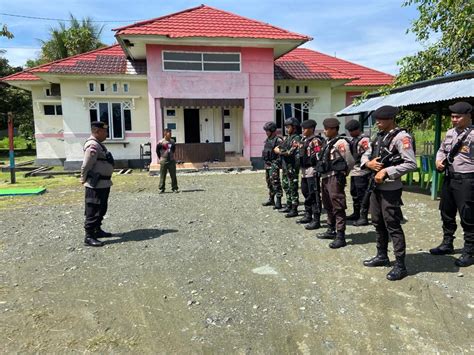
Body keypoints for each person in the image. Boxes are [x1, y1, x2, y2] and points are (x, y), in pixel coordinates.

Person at [361, 105, 417, 281]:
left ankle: (400, 265)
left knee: (392, 224)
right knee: (377, 222)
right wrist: (368, 164)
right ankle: (382, 255)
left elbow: (411, 163)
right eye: (376, 119)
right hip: (375, 187)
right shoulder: (378, 136)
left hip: (390, 189)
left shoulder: (402, 137)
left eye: (381, 119)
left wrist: (387, 171)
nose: (377, 122)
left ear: (391, 119)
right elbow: (365, 154)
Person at [431, 101, 474, 267]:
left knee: (468, 216)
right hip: (449, 178)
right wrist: (438, 161)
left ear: (469, 116)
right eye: (452, 116)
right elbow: (442, 150)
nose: (454, 119)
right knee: (446, 212)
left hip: (467, 179)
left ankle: (469, 251)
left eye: (458, 116)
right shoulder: (450, 133)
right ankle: (447, 243)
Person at [316, 118, 355, 248]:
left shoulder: (341, 143)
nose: (325, 131)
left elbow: (349, 161)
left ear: (333, 129)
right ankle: (330, 229)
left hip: (334, 177)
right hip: (325, 177)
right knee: (327, 204)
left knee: (338, 206)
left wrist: (344, 173)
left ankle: (340, 236)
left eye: (327, 129)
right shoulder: (328, 142)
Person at [80, 121, 115, 247]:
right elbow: (87, 164)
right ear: (97, 131)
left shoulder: (99, 145)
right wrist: (83, 178)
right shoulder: (92, 145)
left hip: (104, 183)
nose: (106, 134)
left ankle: (97, 230)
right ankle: (89, 236)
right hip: (95, 184)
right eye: (105, 131)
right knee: (93, 208)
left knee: (101, 208)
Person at [297, 119, 324, 230]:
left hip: (312, 170)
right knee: (305, 192)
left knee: (314, 194)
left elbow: (318, 155)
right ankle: (308, 214)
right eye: (302, 128)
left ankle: (316, 219)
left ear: (311, 129)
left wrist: (317, 170)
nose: (303, 130)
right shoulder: (304, 140)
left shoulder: (315, 141)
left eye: (305, 128)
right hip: (304, 170)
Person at [345, 119, 372, 226]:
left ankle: (363, 217)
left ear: (358, 129)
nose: (350, 133)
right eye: (349, 131)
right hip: (354, 171)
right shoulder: (354, 139)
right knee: (354, 193)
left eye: (352, 130)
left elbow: (368, 152)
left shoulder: (364, 140)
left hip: (362, 171)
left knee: (362, 195)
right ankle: (356, 213)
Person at [274, 117, 301, 218]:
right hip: (285, 166)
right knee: (286, 185)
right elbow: (279, 147)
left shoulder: (296, 138)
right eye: (286, 127)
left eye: (288, 127)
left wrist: (279, 151)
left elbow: (290, 152)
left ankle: (294, 208)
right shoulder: (287, 138)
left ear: (294, 127)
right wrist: (279, 149)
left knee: (293, 187)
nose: (286, 129)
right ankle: (289, 205)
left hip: (292, 166)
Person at [261, 121, 284, 209]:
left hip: (274, 164)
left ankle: (278, 201)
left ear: (272, 130)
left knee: (275, 182)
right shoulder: (268, 139)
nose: (266, 132)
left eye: (268, 131)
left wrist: (276, 163)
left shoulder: (278, 140)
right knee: (269, 182)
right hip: (267, 164)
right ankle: (271, 199)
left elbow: (281, 152)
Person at [156, 128, 179, 193]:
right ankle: (161, 188)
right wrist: (160, 158)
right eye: (169, 133)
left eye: (171, 133)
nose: (171, 134)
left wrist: (171, 155)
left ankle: (174, 188)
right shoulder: (161, 142)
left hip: (171, 160)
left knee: (173, 175)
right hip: (164, 160)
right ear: (165, 134)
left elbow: (173, 149)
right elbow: (157, 151)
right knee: (162, 175)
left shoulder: (172, 141)